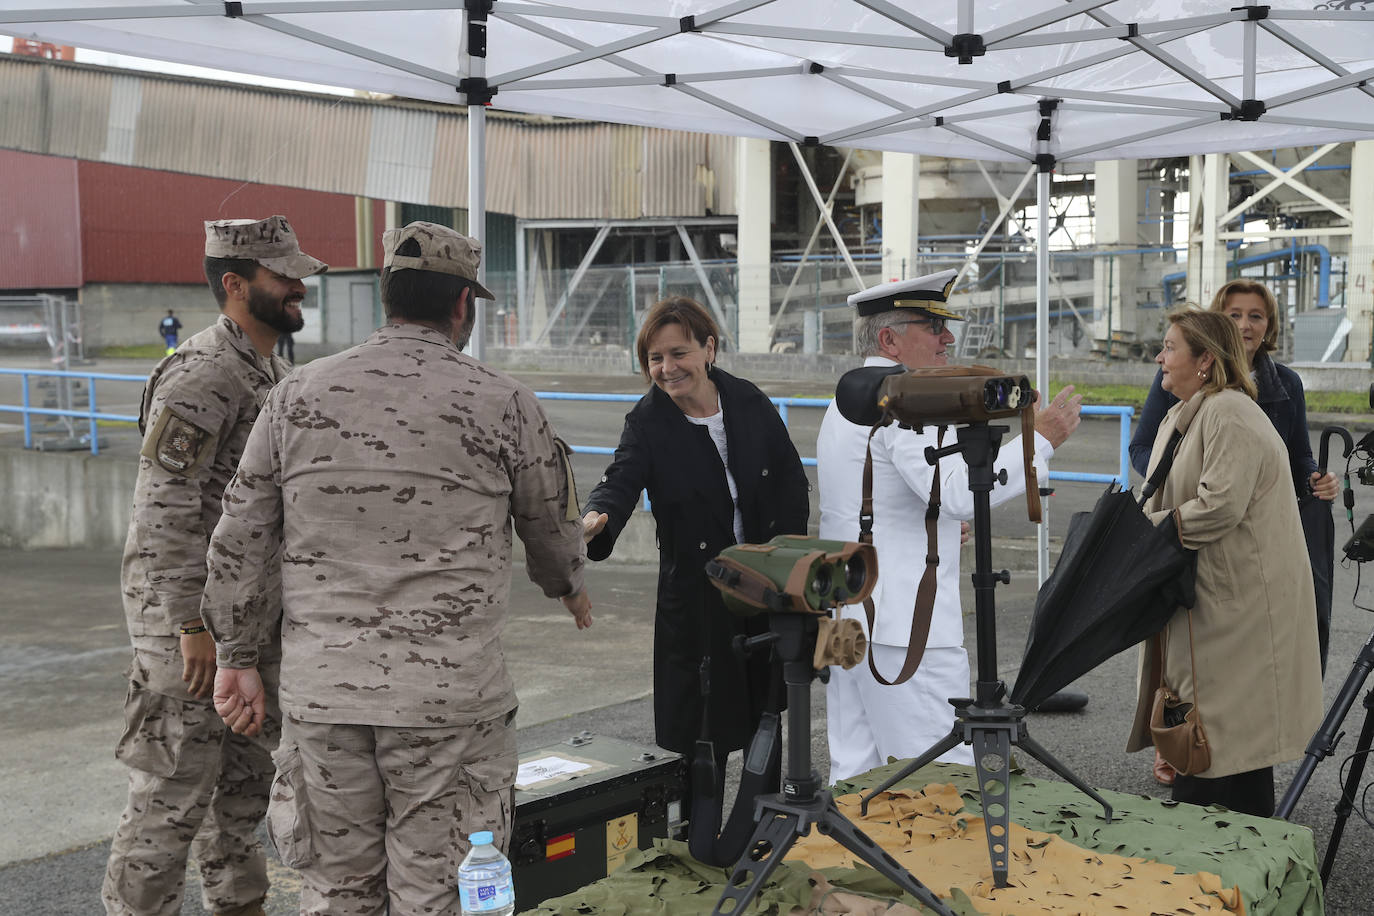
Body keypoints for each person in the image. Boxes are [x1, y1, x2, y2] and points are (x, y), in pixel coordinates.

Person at [202, 221, 592, 914]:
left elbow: (241, 537)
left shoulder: (296, 395)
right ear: (463, 304)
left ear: (387, 294)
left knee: (337, 894)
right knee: (439, 896)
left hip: (324, 702)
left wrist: (236, 655)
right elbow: (554, 532)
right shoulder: (503, 401)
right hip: (447, 709)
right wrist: (568, 586)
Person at [103, 215, 325, 916]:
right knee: (168, 804)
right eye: (282, 276)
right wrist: (189, 624)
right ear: (235, 283)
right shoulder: (203, 372)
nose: (298, 286)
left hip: (245, 629)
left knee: (242, 798)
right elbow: (162, 507)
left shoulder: (271, 373)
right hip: (188, 632)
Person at [815, 270, 1083, 782]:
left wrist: (934, 526)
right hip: (903, 627)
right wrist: (1041, 440)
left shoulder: (846, 398)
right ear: (889, 339)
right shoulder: (905, 399)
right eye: (933, 327)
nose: (948, 339)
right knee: (934, 778)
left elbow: (879, 501)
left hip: (846, 615)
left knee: (855, 772)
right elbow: (958, 492)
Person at [581, 297, 810, 807]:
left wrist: (788, 561)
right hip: (698, 598)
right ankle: (697, 836)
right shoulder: (647, 422)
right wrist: (597, 518)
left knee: (765, 715)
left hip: (765, 589)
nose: (667, 368)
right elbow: (620, 480)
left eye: (678, 353)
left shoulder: (747, 401)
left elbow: (791, 481)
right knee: (700, 729)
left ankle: (762, 826)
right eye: (655, 358)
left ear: (709, 348)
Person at [1128, 278, 1340, 787]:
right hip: (1202, 567)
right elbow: (1152, 460)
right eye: (1235, 315)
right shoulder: (1188, 405)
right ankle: (1191, 772)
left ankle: (1216, 801)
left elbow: (1223, 503)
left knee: (1230, 727)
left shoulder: (1233, 409)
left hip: (1234, 574)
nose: (1159, 358)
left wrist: (1141, 532)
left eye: (1169, 348)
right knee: (1208, 713)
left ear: (1204, 357)